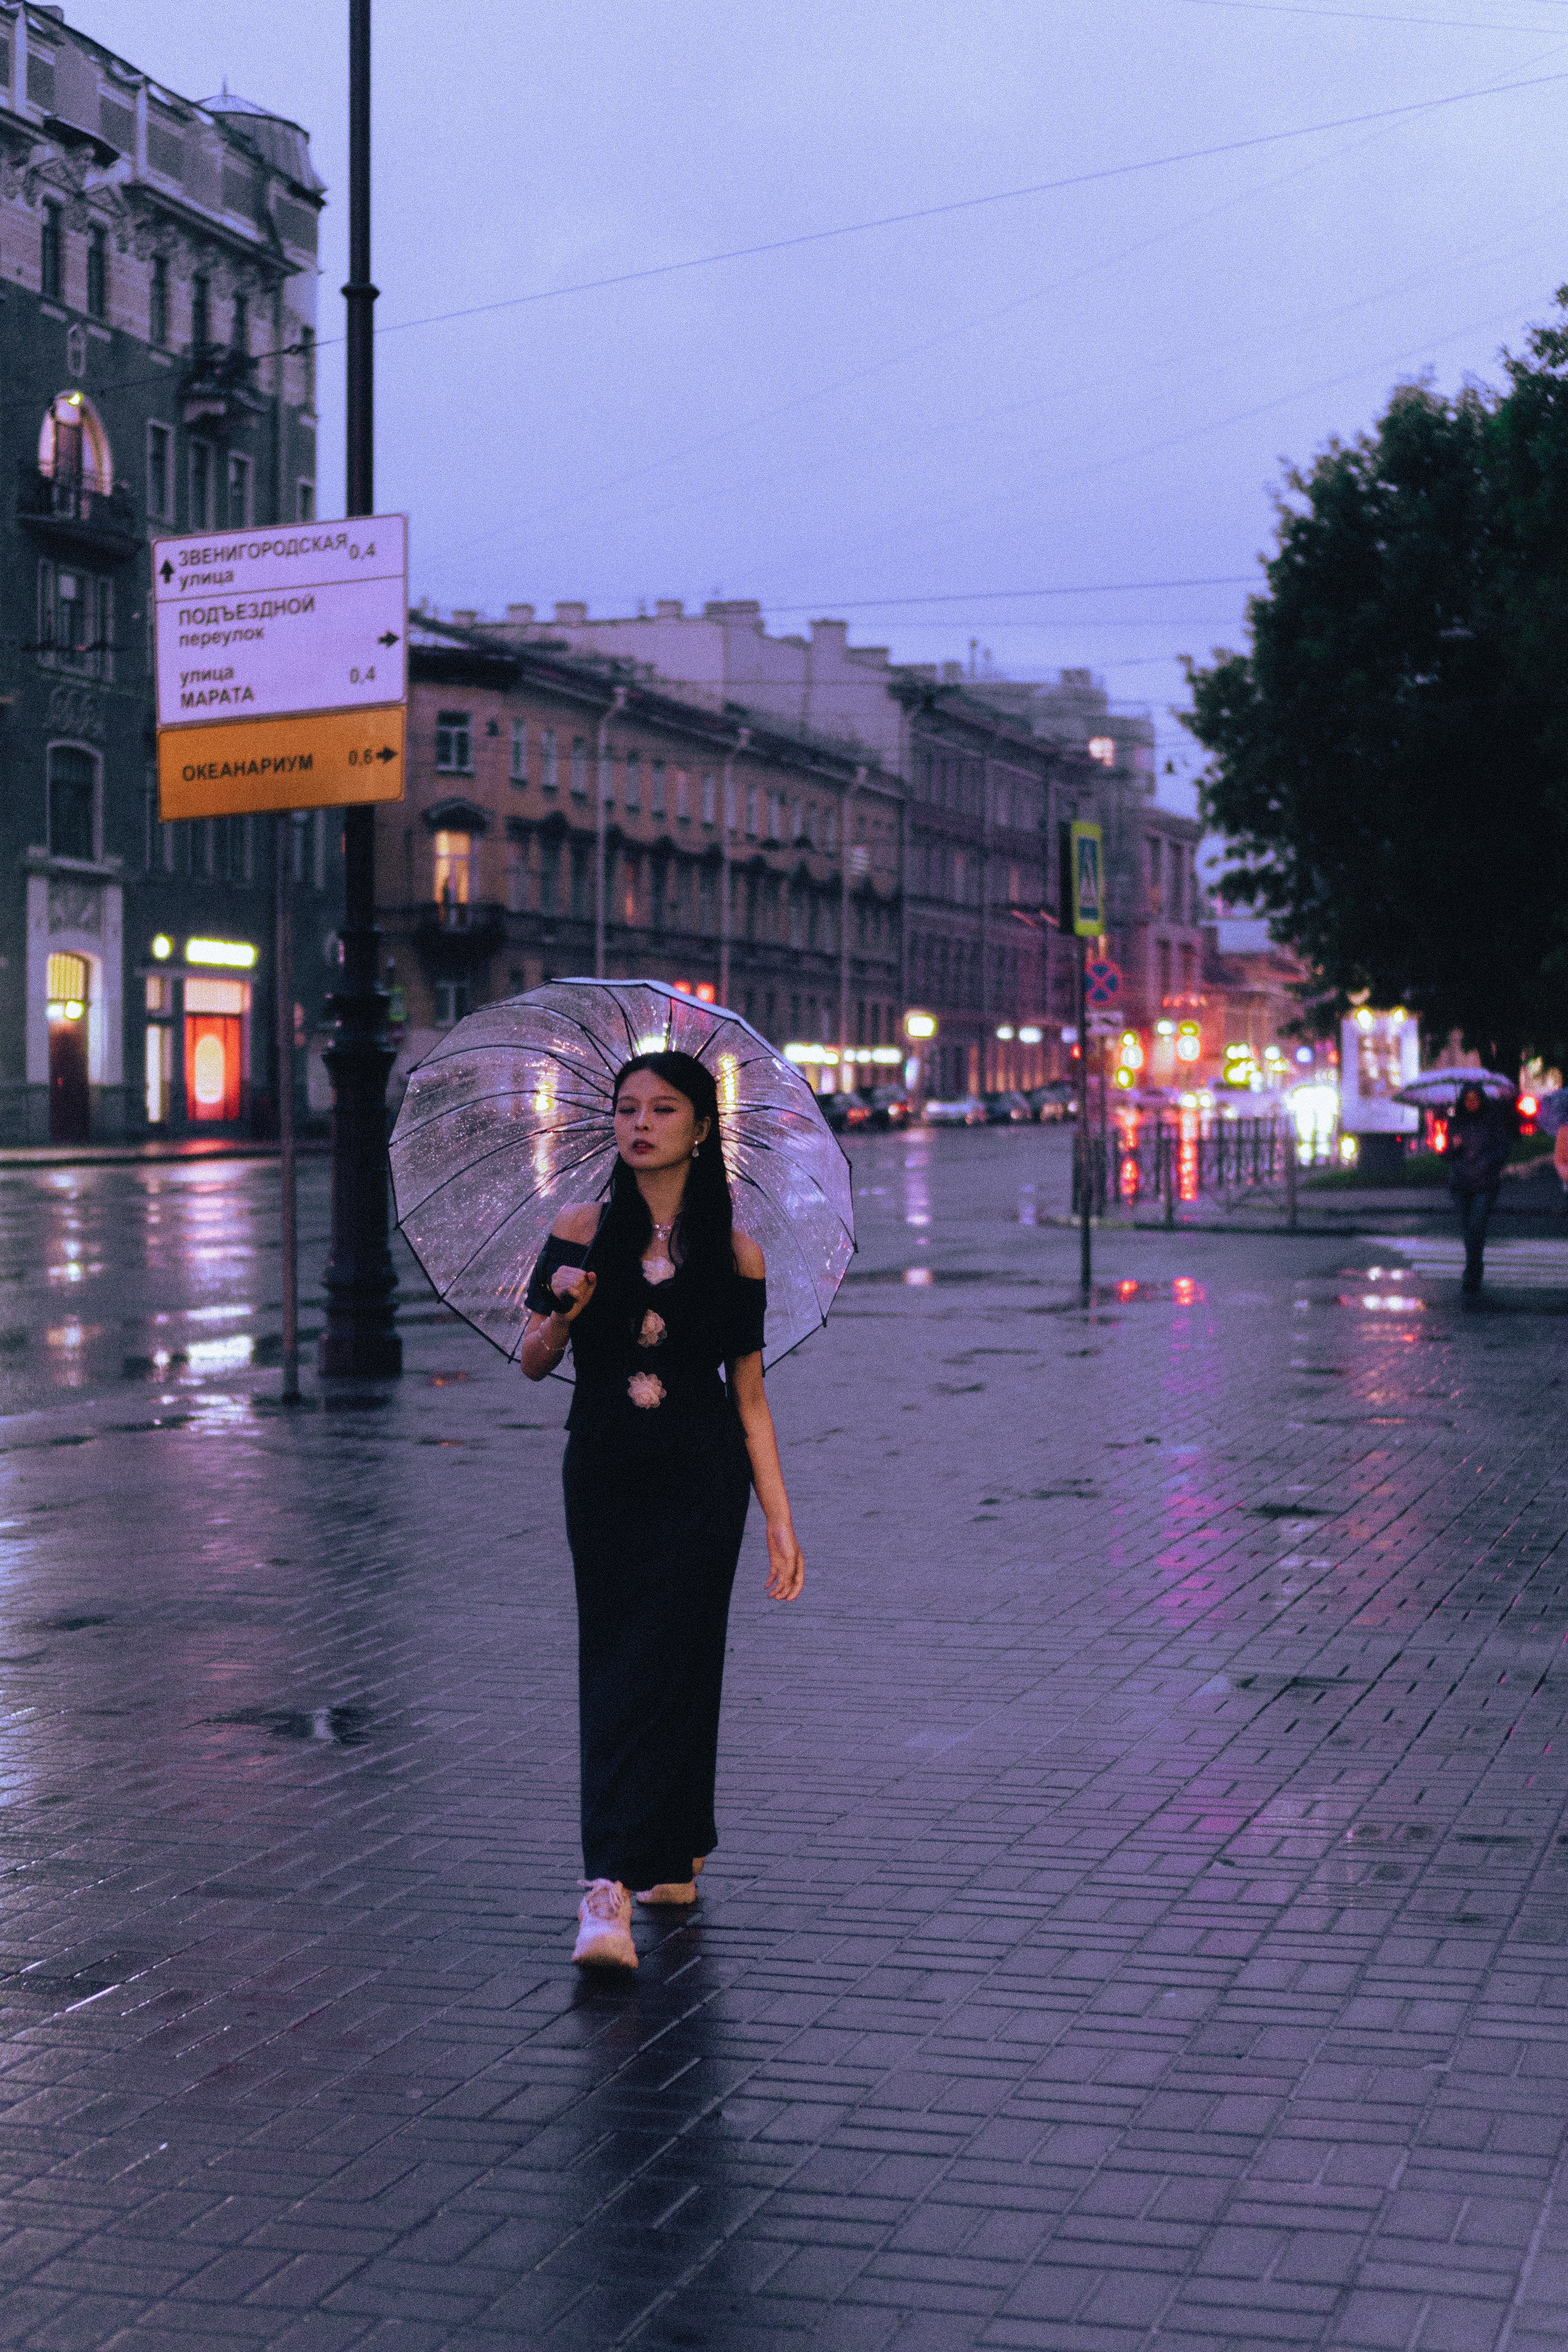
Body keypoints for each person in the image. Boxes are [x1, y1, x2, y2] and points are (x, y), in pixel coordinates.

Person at [518, 1051, 805, 1970]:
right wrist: (562, 1316)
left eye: (663, 1109)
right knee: (617, 1663)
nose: (639, 1124)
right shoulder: (577, 1227)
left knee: (681, 1654)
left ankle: (673, 1847)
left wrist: (780, 1519)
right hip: (603, 1470)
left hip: (702, 1477)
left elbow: (750, 1399)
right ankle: (607, 1891)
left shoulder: (735, 1255)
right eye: (626, 1108)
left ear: (702, 1128)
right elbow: (530, 1358)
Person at [1446, 1081, 1511, 1294]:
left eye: (1475, 1099)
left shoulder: (1491, 1120)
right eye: (1468, 1099)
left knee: (1476, 1226)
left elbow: (1503, 1148)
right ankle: (1473, 1267)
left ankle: (1473, 1272)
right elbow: (1446, 1155)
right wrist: (1452, 1148)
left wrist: (1486, 1161)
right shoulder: (1455, 1122)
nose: (1471, 1103)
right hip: (1461, 1184)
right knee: (1468, 1230)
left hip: (1485, 1184)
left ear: (1481, 1100)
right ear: (1463, 1101)